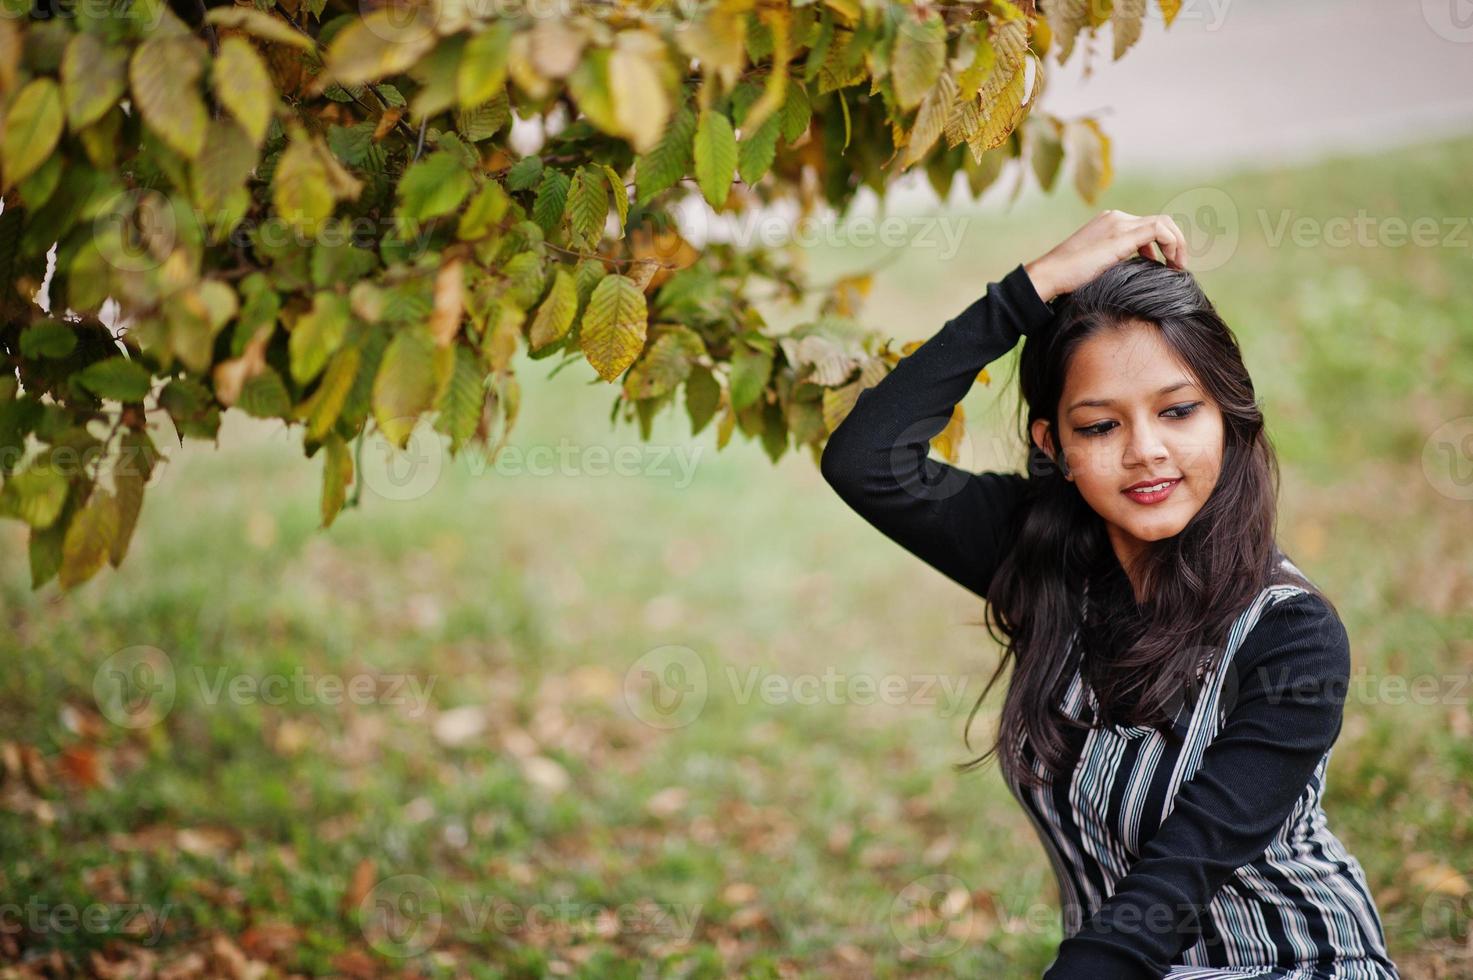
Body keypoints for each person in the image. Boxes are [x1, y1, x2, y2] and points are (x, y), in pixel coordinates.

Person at [818, 211, 1400, 979]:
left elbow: (1176, 882)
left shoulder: (1288, 636)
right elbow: (866, 460)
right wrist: (1029, 289)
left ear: (1227, 418)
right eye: (1099, 427)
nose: (1145, 451)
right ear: (1052, 446)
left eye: (1178, 411)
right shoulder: (1040, 558)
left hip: (1291, 964)